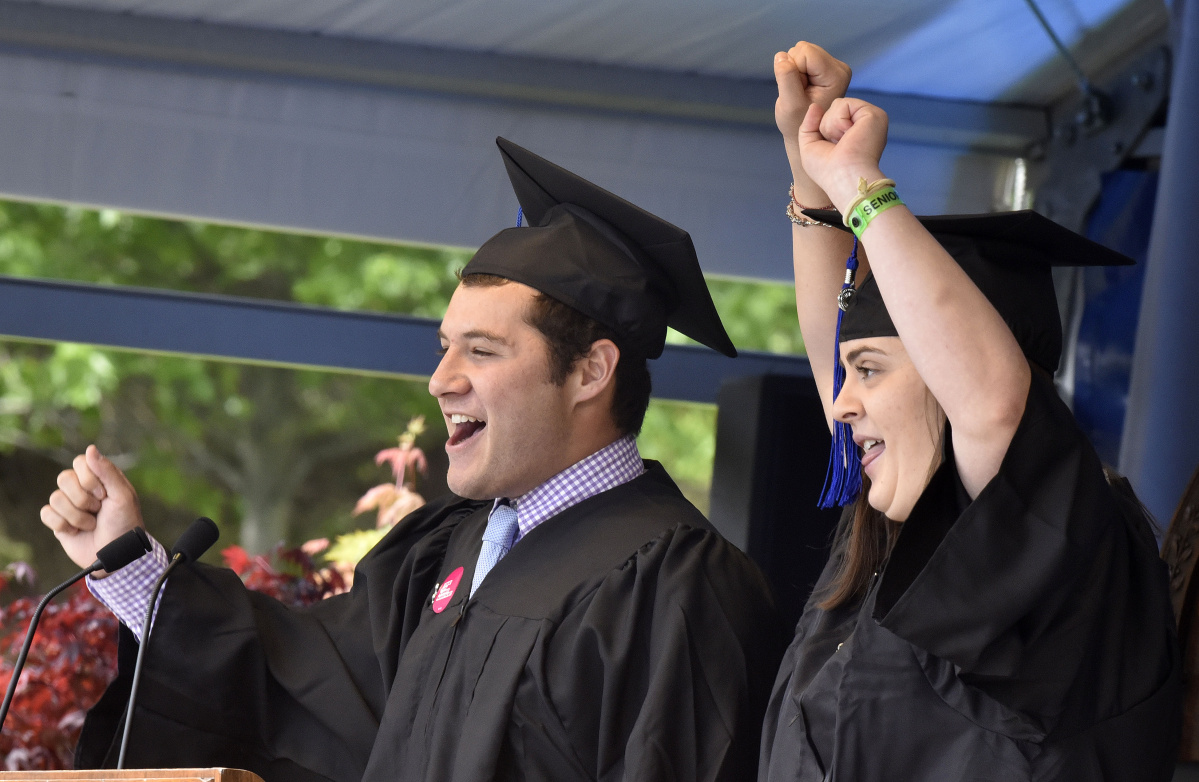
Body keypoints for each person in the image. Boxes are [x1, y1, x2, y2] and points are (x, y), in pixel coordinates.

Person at [40, 138, 784, 782]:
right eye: (444, 346)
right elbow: (304, 688)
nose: (441, 379)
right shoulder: (445, 552)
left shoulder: (678, 586)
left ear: (591, 372)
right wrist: (127, 564)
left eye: (482, 351)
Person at [758, 42, 1181, 781]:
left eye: (869, 370)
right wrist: (809, 171)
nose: (841, 402)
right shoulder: (895, 533)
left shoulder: (1066, 541)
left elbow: (992, 405)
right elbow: (842, 358)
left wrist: (859, 181)